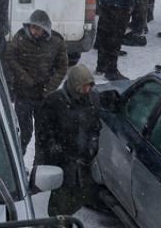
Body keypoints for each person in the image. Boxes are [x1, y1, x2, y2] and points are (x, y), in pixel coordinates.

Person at [36, 65, 101, 216]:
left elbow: (95, 127)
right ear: (74, 85)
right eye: (83, 86)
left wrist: (93, 143)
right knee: (60, 200)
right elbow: (44, 132)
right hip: (62, 162)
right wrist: (55, 149)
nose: (87, 90)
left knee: (78, 197)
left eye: (89, 86)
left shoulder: (93, 100)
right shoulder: (54, 102)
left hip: (83, 163)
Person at [2, 10, 68, 151]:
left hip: (44, 96)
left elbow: (62, 67)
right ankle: (19, 161)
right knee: (23, 133)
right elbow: (10, 58)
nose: (34, 31)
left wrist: (49, 88)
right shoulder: (20, 38)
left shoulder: (56, 42)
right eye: (32, 27)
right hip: (23, 94)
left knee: (43, 134)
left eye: (37, 28)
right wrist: (24, 78)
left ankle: (39, 165)